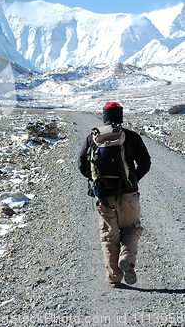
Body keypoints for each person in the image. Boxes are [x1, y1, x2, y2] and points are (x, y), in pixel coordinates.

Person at [78, 102, 151, 287]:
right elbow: (145, 163)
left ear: (104, 116)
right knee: (131, 229)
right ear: (121, 116)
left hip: (103, 195)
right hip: (128, 194)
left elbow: (81, 165)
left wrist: (97, 181)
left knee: (109, 235)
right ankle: (126, 257)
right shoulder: (131, 137)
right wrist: (132, 180)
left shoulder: (93, 137)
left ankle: (114, 277)